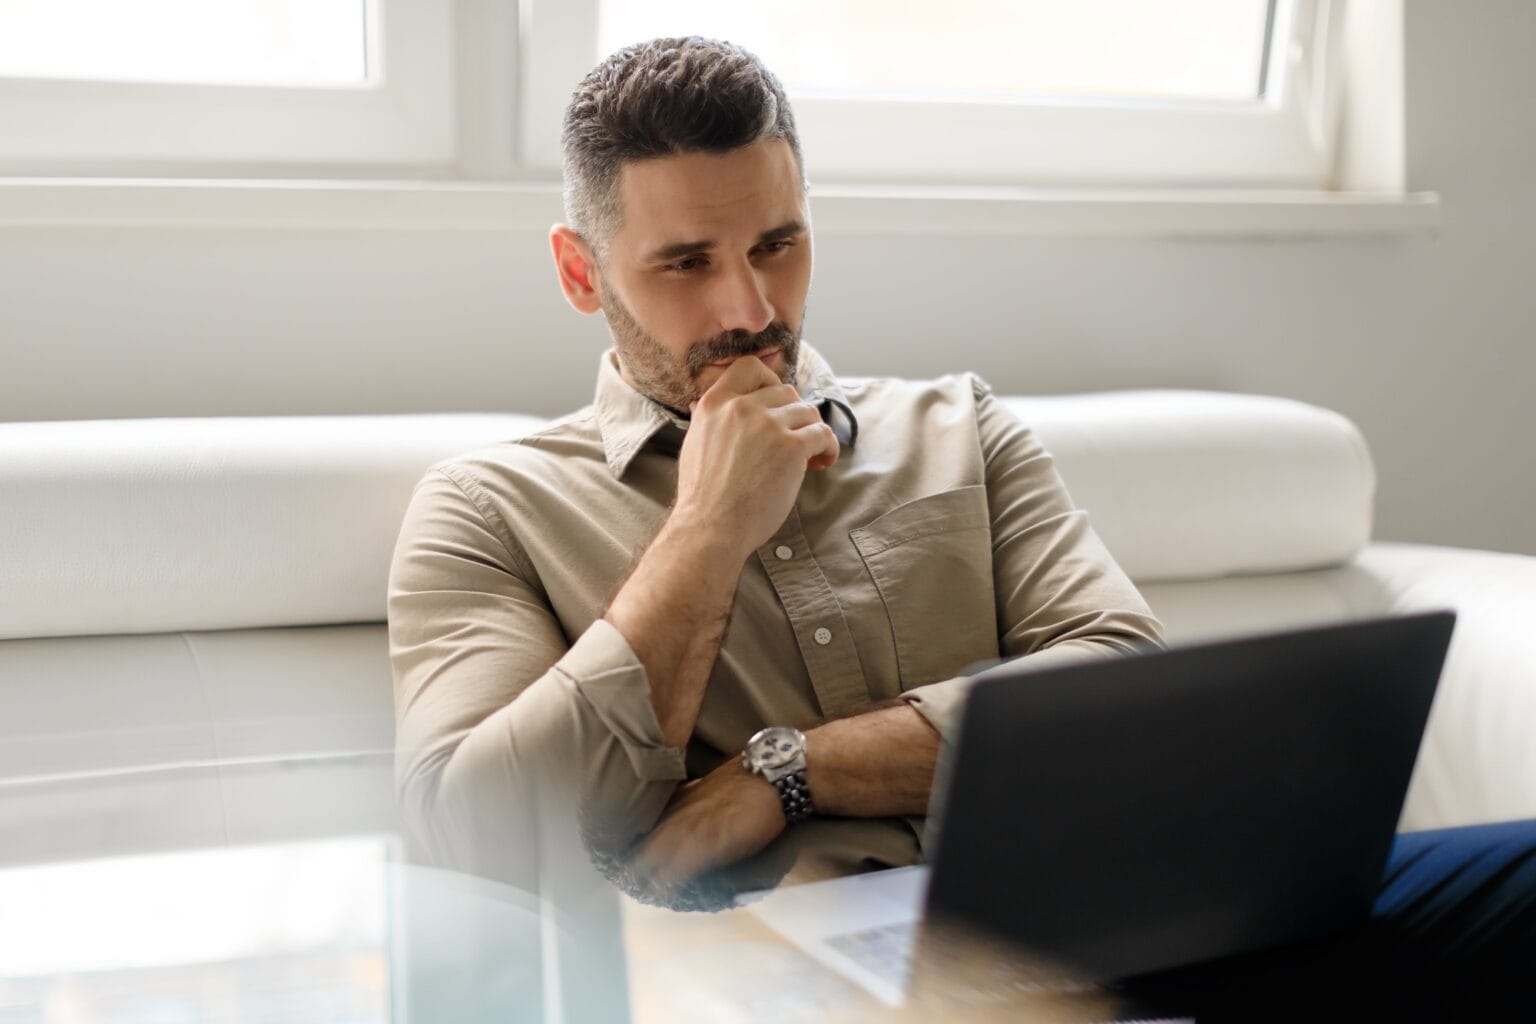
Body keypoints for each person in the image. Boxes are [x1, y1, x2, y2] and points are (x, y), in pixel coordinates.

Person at [388, 36, 1534, 1018]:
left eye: (778, 245)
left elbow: (1116, 674)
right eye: (686, 262)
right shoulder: (487, 508)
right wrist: (705, 532)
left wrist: (787, 772)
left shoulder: (958, 425)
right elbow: (476, 844)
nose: (751, 311)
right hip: (813, 980)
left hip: (1119, 913)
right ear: (581, 273)